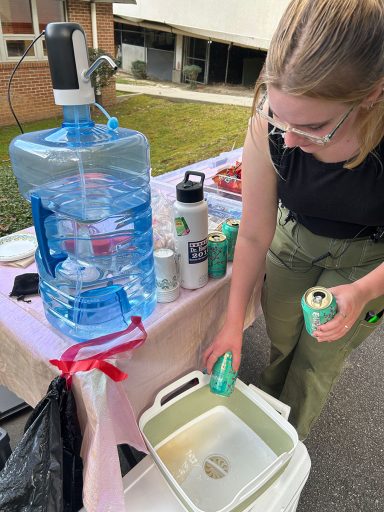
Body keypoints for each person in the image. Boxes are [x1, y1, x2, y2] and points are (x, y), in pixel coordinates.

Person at [203, 0, 384, 441]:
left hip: (368, 257)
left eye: (313, 126)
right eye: (277, 117)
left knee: (316, 362)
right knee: (282, 337)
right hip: (294, 238)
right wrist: (231, 325)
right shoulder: (273, 125)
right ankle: (263, 408)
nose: (288, 140)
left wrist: (363, 292)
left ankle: (282, 444)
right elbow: (251, 234)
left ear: (373, 94)